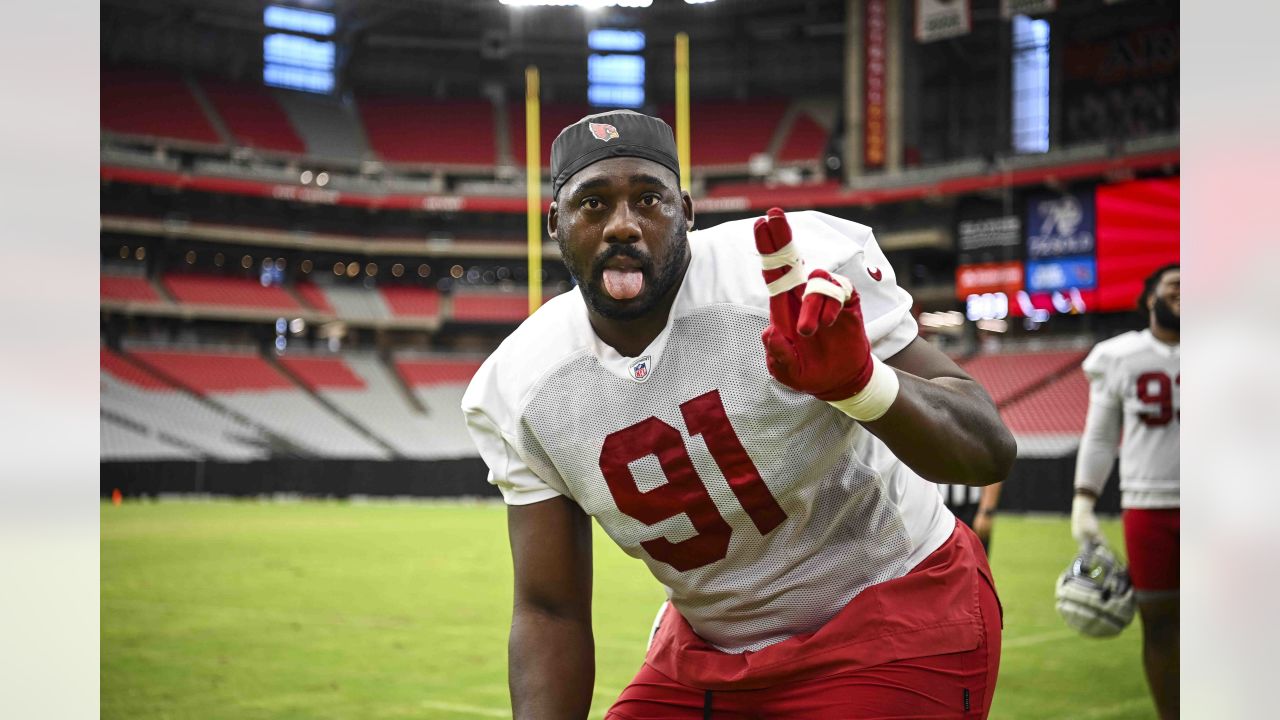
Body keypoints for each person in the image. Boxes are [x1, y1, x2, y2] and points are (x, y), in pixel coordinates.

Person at [462, 110, 1016, 719]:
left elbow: (988, 448)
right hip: (712, 650)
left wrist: (861, 384)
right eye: (592, 204)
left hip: (895, 610)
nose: (623, 225)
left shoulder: (786, 273)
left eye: (649, 199)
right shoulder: (520, 385)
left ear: (687, 213)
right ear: (556, 224)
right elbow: (550, 609)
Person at [1070, 263, 1179, 719]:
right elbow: (1099, 436)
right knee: (1159, 628)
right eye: (1174, 286)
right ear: (1150, 297)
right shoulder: (1119, 355)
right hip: (1149, 506)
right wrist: (1083, 500)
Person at [937, 481, 1001, 555]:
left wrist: (986, 512)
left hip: (972, 510)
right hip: (939, 508)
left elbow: (992, 475)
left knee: (975, 559)